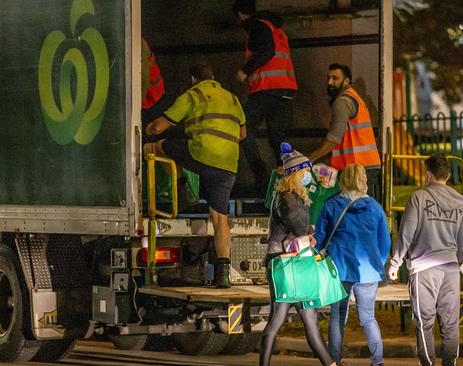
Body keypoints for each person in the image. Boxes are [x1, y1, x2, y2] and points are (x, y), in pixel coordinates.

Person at [144, 63, 246, 289]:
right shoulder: (232, 98)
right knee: (220, 219)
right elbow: (242, 133)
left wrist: (147, 127)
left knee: (156, 147)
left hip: (201, 154)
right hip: (228, 163)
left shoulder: (194, 94)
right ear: (213, 77)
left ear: (193, 79)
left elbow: (159, 127)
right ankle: (223, 274)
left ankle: (182, 188)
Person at [388, 153, 463, 366]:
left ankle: (427, 363)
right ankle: (449, 363)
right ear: (448, 176)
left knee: (424, 321)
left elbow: (406, 233)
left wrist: (395, 263)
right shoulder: (460, 204)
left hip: (424, 268)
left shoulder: (419, 198)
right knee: (450, 323)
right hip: (451, 270)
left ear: (428, 174)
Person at [260, 142, 335, 366]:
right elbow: (299, 225)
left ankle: (330, 364)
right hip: (284, 264)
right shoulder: (286, 198)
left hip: (297, 263)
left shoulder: (296, 197)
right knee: (277, 318)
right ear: (296, 174)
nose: (309, 176)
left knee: (309, 317)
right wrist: (310, 232)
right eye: (305, 171)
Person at [314, 164, 391, 366]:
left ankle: (335, 360)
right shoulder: (375, 207)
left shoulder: (332, 205)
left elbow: (320, 238)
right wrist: (378, 262)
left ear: (344, 180)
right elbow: (385, 242)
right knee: (368, 318)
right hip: (368, 272)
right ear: (363, 180)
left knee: (338, 317)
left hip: (340, 269)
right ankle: (378, 361)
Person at [233, 0, 298, 187]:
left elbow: (267, 51)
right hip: (284, 89)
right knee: (277, 137)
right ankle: (286, 179)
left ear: (240, 16)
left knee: (242, 128)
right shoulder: (275, 28)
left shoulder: (257, 27)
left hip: (267, 88)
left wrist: (245, 70)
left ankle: (260, 175)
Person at [308, 64, 382, 202]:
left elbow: (334, 138)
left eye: (335, 78)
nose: (330, 82)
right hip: (363, 167)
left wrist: (311, 158)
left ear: (346, 81)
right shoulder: (353, 98)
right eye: (328, 78)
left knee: (356, 215)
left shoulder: (342, 102)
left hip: (357, 170)